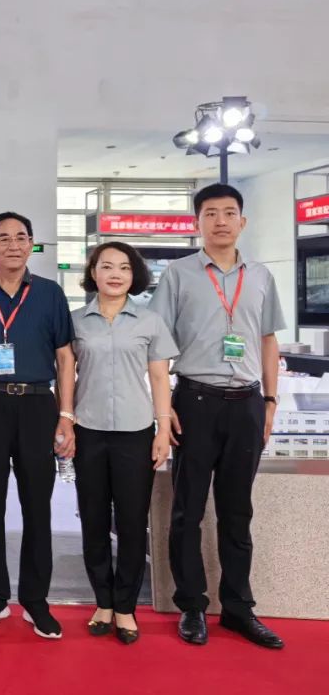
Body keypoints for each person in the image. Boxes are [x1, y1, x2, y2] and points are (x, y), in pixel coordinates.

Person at [150, 183, 285, 649]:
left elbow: (268, 340)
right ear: (198, 223)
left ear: (242, 221)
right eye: (211, 213)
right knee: (187, 510)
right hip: (195, 403)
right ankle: (192, 605)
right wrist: (163, 410)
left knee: (237, 510)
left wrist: (270, 401)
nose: (221, 221)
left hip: (247, 403)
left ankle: (238, 608)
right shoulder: (178, 275)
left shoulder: (261, 276)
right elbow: (157, 344)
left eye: (229, 213)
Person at [0, 211, 75, 640]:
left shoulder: (49, 293)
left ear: (31, 244)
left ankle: (35, 599)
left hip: (37, 405)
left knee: (37, 505)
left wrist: (66, 415)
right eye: (3, 238)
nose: (13, 245)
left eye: (21, 237)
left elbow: (65, 357)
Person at [71, 242, 177, 644]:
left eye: (124, 268)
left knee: (132, 522)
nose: (115, 274)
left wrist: (163, 429)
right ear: (93, 273)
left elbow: (159, 378)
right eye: (106, 266)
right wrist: (65, 422)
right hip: (89, 429)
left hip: (136, 431)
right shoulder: (75, 322)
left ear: (135, 276)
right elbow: (65, 375)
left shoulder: (149, 321)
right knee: (93, 518)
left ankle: (126, 606)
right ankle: (103, 601)